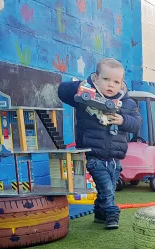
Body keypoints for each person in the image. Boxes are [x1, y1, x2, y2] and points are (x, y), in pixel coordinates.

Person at [58, 58, 142, 230]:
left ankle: (99, 213)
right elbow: (62, 91)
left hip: (115, 157)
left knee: (109, 186)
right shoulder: (85, 96)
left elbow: (137, 123)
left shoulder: (126, 103)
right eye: (106, 79)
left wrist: (122, 119)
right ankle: (112, 214)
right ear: (96, 79)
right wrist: (84, 85)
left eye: (116, 81)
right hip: (94, 154)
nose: (111, 85)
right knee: (107, 188)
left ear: (122, 84)